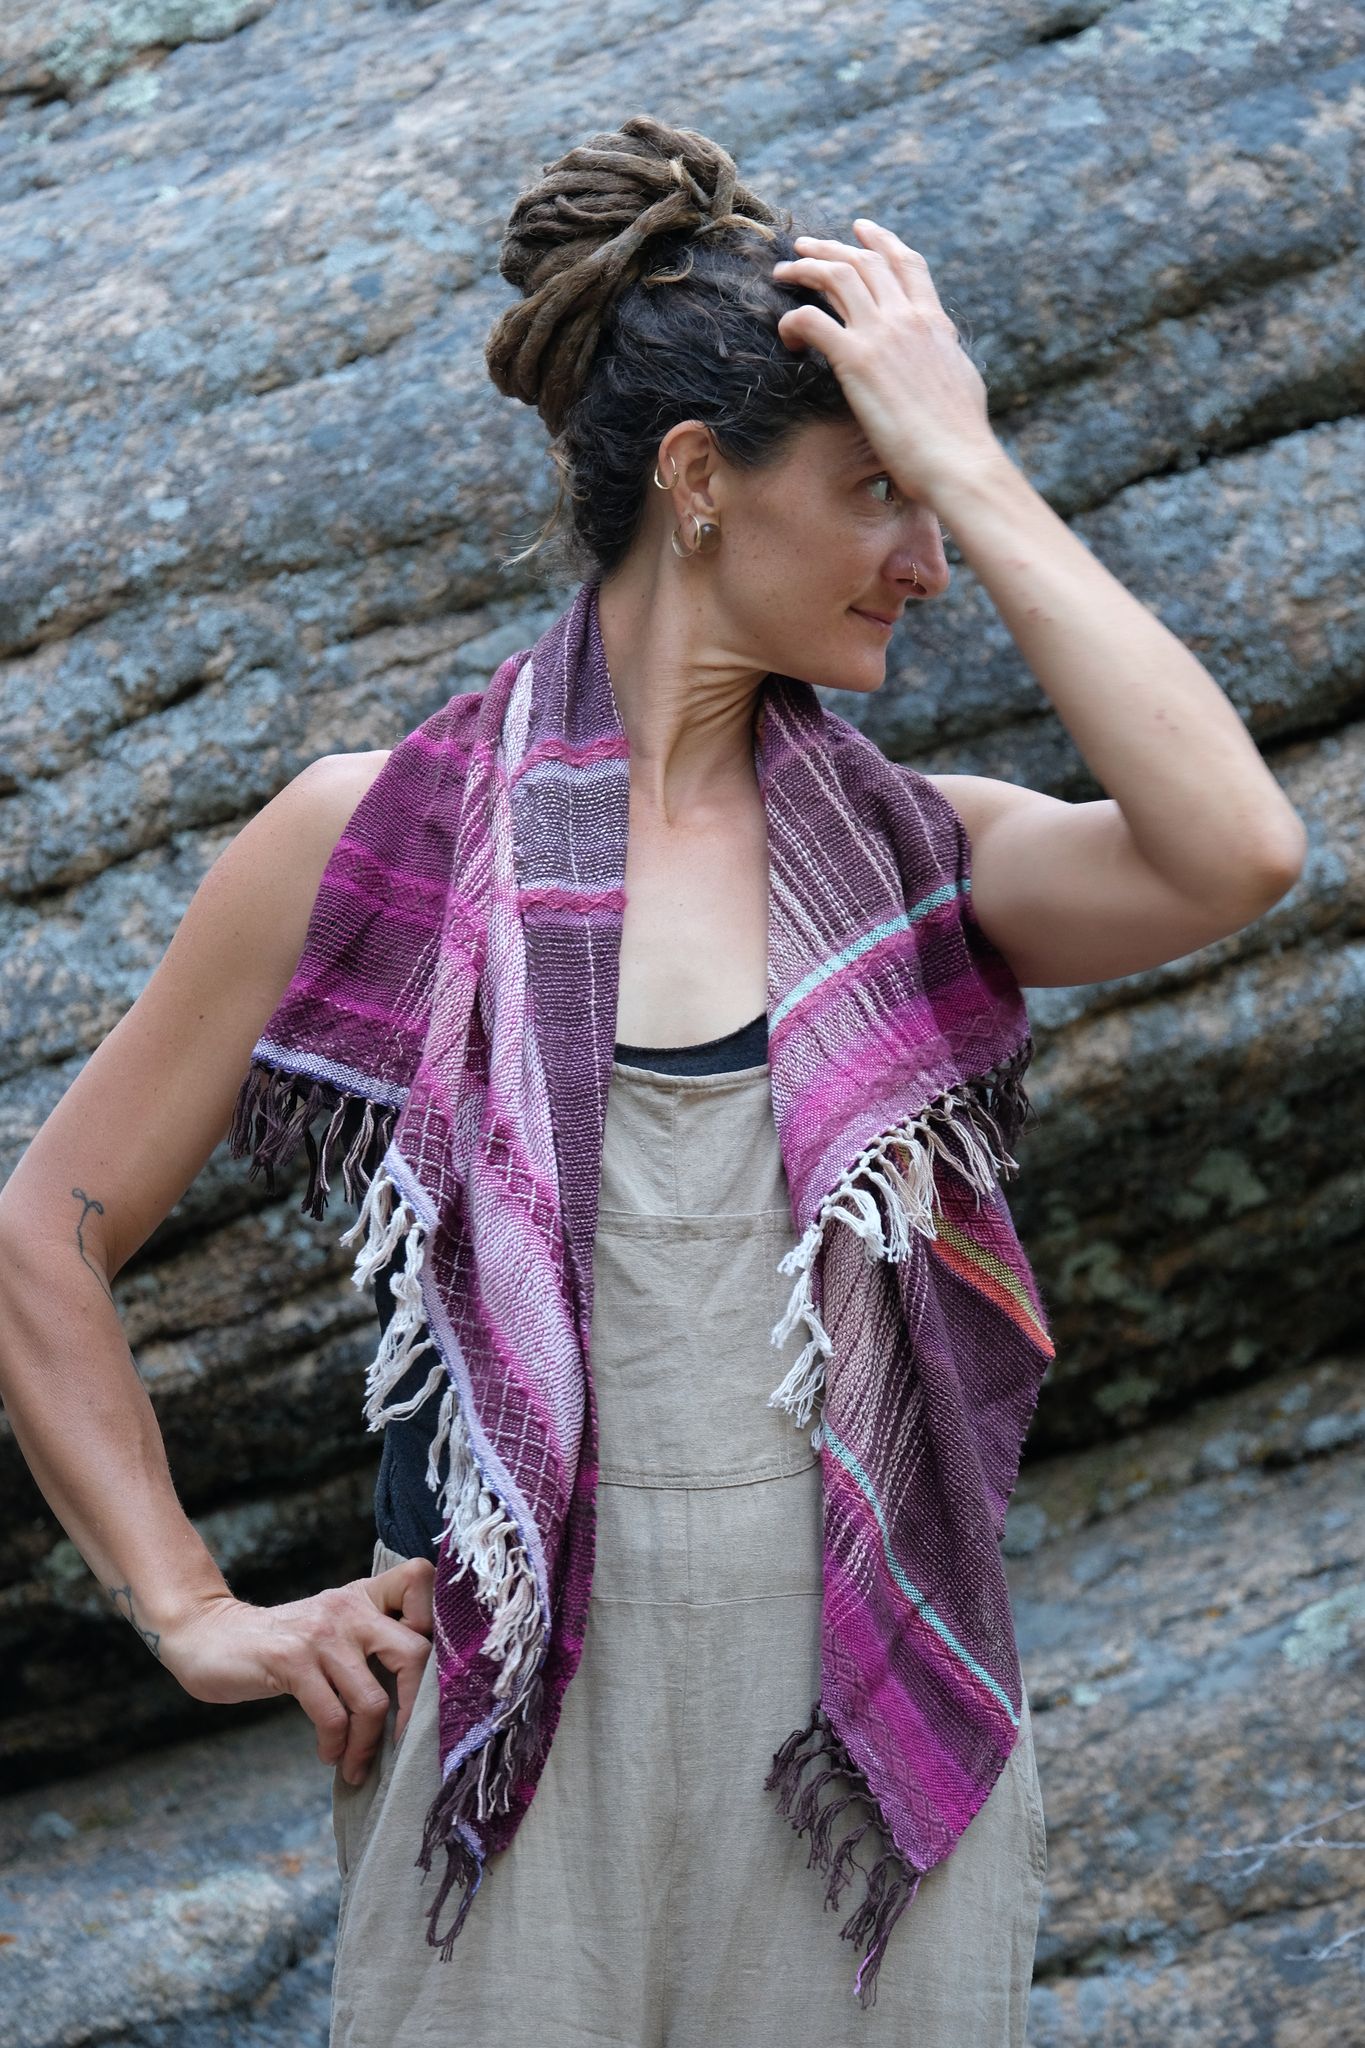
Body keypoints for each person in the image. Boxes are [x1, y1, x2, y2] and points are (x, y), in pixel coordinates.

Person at [0, 115, 1305, 2046]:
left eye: (931, 498)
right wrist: (195, 1610)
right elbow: (43, 1235)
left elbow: (1234, 854)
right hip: (506, 1714)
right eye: (878, 494)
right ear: (699, 480)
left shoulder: (918, 869)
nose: (927, 561)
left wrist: (960, 451)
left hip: (858, 1709)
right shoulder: (376, 844)